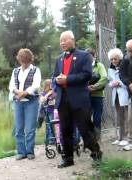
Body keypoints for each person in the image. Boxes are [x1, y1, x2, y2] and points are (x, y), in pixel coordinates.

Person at [52, 31, 102, 168]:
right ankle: (68, 158)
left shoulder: (84, 56)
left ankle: (96, 154)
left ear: (72, 40)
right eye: (60, 41)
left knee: (85, 129)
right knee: (65, 130)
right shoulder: (58, 59)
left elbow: (87, 75)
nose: (62, 43)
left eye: (64, 40)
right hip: (63, 100)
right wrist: (57, 80)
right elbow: (54, 77)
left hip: (79, 100)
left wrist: (67, 79)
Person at [9, 48, 41, 160]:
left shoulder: (36, 70)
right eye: (21, 60)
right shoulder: (16, 71)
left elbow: (36, 85)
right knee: (19, 128)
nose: (23, 63)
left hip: (31, 102)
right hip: (18, 102)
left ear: (29, 59)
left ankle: (30, 152)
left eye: (25, 60)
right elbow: (12, 85)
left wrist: (25, 92)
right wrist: (18, 92)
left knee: (30, 128)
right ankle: (21, 152)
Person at [107, 48, 129, 147]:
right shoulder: (111, 68)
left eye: (115, 59)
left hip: (124, 94)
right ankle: (120, 137)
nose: (113, 61)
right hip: (116, 95)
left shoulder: (125, 66)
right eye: (111, 59)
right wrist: (112, 84)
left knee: (126, 117)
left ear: (120, 58)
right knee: (119, 117)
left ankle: (127, 138)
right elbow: (109, 82)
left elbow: (128, 81)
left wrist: (120, 83)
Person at [86, 48, 108, 141]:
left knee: (97, 118)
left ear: (94, 56)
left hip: (97, 96)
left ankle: (97, 139)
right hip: (86, 96)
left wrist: (94, 87)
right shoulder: (83, 66)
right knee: (86, 118)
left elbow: (104, 78)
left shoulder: (99, 65)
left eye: (89, 56)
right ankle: (88, 138)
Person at [40, 79, 56, 145]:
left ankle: (52, 140)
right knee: (48, 126)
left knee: (52, 126)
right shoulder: (43, 92)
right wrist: (47, 96)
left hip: (52, 111)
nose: (52, 86)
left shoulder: (54, 92)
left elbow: (53, 101)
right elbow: (42, 100)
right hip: (46, 111)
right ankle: (48, 140)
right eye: (51, 84)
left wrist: (48, 96)